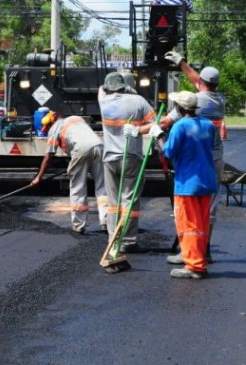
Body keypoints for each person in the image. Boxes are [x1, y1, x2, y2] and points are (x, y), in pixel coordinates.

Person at [163, 51, 225, 264]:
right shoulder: (219, 99)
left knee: (189, 209)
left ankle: (190, 252)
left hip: (197, 160)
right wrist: (182, 63)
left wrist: (146, 130)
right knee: (208, 206)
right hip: (215, 159)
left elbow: (165, 123)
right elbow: (197, 80)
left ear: (202, 83)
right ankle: (203, 250)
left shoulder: (194, 102)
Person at [154, 91, 216, 279]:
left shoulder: (180, 126)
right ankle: (195, 257)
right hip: (206, 180)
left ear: (179, 108)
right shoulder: (208, 125)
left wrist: (158, 136)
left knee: (188, 225)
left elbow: (168, 152)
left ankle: (194, 266)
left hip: (188, 182)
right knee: (201, 224)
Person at [98, 72, 157, 254]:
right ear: (125, 86)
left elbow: (101, 90)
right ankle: (128, 241)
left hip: (109, 158)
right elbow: (157, 124)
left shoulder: (103, 101)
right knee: (130, 201)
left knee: (113, 203)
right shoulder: (138, 101)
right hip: (131, 157)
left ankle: (113, 239)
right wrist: (139, 130)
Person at [30, 112, 107, 234]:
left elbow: (48, 157)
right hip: (100, 147)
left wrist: (38, 177)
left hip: (81, 150)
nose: (48, 129)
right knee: (103, 187)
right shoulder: (76, 118)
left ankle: (78, 226)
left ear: (51, 122)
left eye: (48, 127)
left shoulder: (54, 129)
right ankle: (106, 222)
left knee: (78, 188)